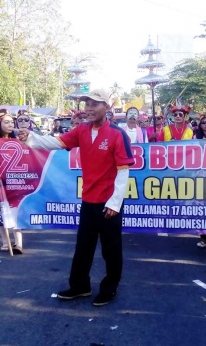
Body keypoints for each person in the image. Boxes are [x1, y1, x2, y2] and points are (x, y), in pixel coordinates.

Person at [17, 89, 135, 306]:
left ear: (107, 108)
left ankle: (109, 289)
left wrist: (115, 203)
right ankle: (80, 286)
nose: (89, 108)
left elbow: (123, 171)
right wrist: (31, 138)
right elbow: (56, 143)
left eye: (95, 104)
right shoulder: (81, 130)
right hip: (89, 200)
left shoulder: (117, 134)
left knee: (111, 249)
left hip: (110, 203)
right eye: (87, 103)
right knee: (83, 247)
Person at [0, 109, 23, 254]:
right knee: (0, 213)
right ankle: (5, 241)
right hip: (0, 182)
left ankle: (18, 243)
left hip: (15, 182)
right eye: (6, 122)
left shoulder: (19, 141)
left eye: (11, 122)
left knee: (16, 211)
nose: (10, 125)